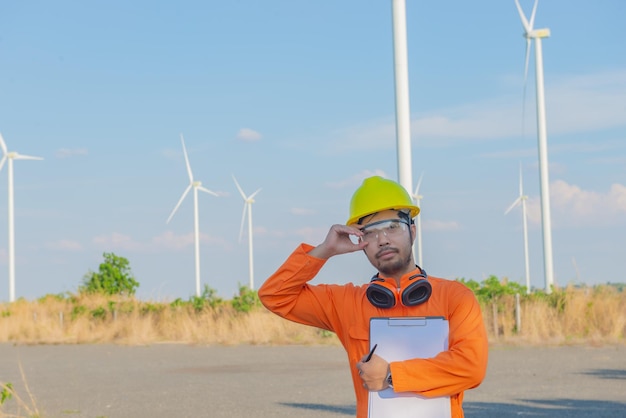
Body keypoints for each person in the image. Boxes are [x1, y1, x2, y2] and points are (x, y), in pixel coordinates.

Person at [258, 175, 488, 418]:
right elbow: (275, 295)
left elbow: (471, 368)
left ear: (412, 231)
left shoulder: (456, 298)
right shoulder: (346, 303)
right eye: (370, 233)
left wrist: (391, 376)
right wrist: (324, 251)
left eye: (392, 227)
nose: (383, 240)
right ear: (359, 242)